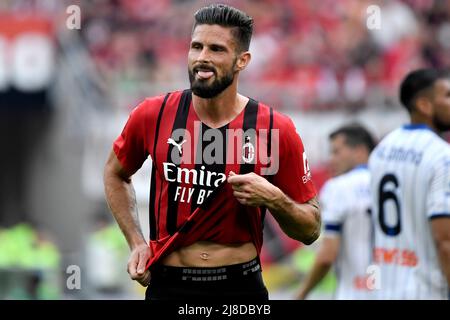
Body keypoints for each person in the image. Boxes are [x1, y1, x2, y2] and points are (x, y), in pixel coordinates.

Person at [103, 4, 321, 301]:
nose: (202, 58)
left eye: (216, 49)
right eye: (196, 46)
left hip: (240, 287)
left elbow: (310, 229)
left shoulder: (275, 128)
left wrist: (275, 199)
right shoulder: (152, 114)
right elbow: (116, 173)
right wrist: (136, 242)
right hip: (168, 284)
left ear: (242, 60)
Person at [368, 68, 450, 299]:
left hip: (384, 289)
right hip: (426, 290)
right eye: (447, 96)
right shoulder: (442, 156)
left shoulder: (381, 150)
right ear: (424, 105)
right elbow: (444, 241)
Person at [296, 124, 376, 300]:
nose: (331, 160)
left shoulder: (338, 187)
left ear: (360, 151)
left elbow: (327, 256)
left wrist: (301, 294)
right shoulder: (393, 184)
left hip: (355, 293)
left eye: (336, 152)